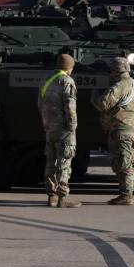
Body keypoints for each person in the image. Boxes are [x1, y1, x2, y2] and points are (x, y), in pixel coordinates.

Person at [90, 57, 134, 205]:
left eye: (110, 70)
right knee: (128, 162)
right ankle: (126, 194)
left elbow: (102, 104)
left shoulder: (118, 87)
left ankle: (126, 196)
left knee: (122, 164)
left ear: (115, 71)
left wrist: (94, 93)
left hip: (121, 130)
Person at [37, 54, 81, 208]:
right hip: (63, 129)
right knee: (64, 162)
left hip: (49, 128)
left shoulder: (45, 80)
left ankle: (51, 196)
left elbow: (39, 104)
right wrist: (72, 126)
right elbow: (70, 108)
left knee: (50, 161)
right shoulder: (67, 81)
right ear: (70, 67)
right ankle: (63, 197)